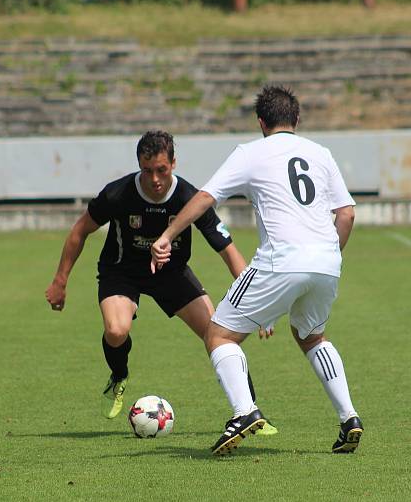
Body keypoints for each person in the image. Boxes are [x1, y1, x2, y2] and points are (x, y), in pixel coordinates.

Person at [151, 86, 361, 455]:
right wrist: (328, 255)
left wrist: (168, 234)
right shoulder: (321, 153)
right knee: (312, 337)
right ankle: (349, 419)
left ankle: (244, 411)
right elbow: (346, 214)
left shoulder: (250, 153)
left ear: (261, 122)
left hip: (281, 260)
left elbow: (204, 197)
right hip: (327, 261)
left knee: (218, 335)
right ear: (296, 120)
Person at [45, 130, 277, 435]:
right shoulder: (118, 194)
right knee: (116, 331)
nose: (154, 178)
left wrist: (256, 303)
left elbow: (229, 251)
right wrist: (60, 280)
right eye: (147, 170)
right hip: (121, 270)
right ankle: (119, 375)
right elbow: (80, 230)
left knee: (220, 336)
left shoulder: (189, 199)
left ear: (173, 164)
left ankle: (250, 412)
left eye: (161, 170)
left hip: (172, 274)